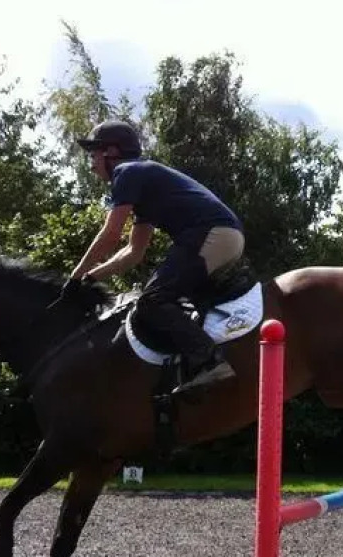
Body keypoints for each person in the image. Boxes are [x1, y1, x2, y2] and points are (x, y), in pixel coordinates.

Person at [66, 118, 244, 391]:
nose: (91, 164)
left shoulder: (126, 172)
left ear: (111, 152)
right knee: (164, 299)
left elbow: (110, 235)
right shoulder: (142, 185)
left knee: (152, 301)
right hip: (222, 236)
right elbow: (133, 253)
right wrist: (91, 277)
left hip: (211, 234)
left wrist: (75, 277)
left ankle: (209, 362)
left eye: (93, 154)